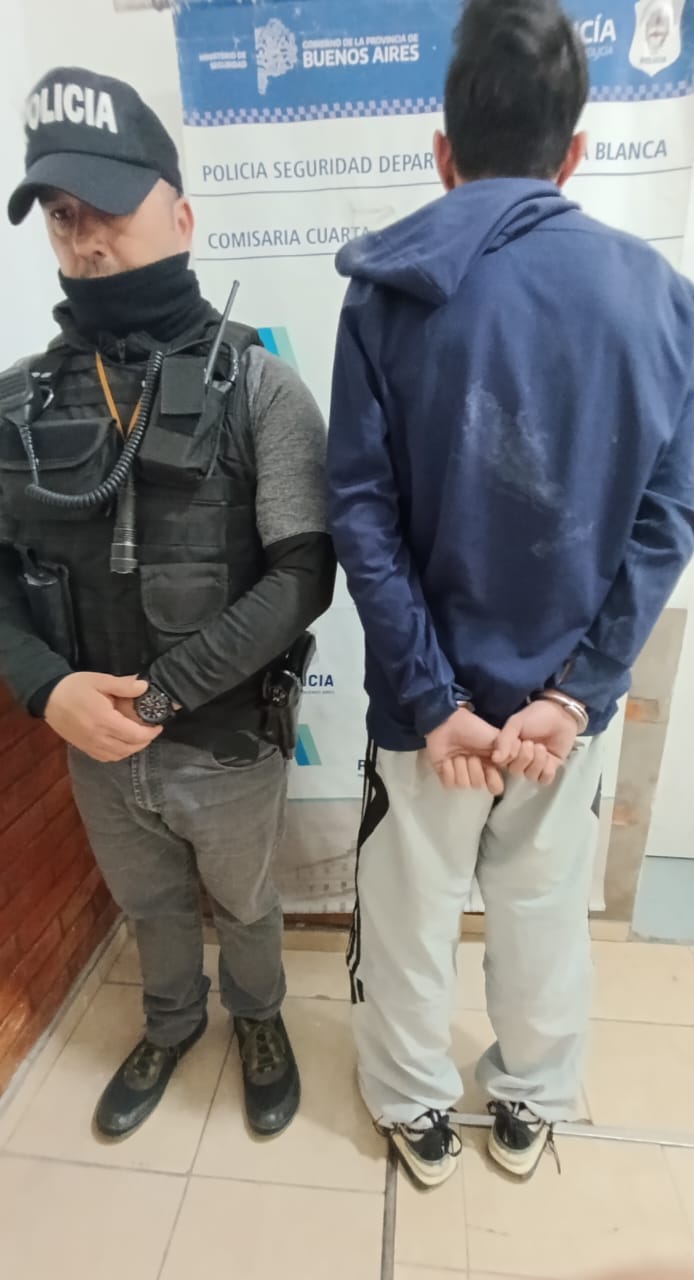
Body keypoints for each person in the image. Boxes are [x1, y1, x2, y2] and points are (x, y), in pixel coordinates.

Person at [327, 0, 694, 1188]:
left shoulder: (383, 291)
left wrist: (436, 700)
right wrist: (575, 694)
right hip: (556, 714)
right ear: (574, 152)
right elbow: (668, 517)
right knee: (543, 909)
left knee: (407, 911)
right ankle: (530, 1100)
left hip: (422, 708)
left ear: (443, 153)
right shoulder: (660, 300)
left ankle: (414, 1107)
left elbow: (360, 513)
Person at [0, 67, 335, 1140]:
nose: (85, 236)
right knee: (148, 906)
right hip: (92, 748)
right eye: (61, 215)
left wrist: (161, 696)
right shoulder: (17, 403)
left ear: (181, 217)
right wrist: (47, 689)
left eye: (107, 204)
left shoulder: (261, 385)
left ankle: (259, 1018)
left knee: (245, 902)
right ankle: (170, 1021)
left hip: (224, 742)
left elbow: (304, 572)